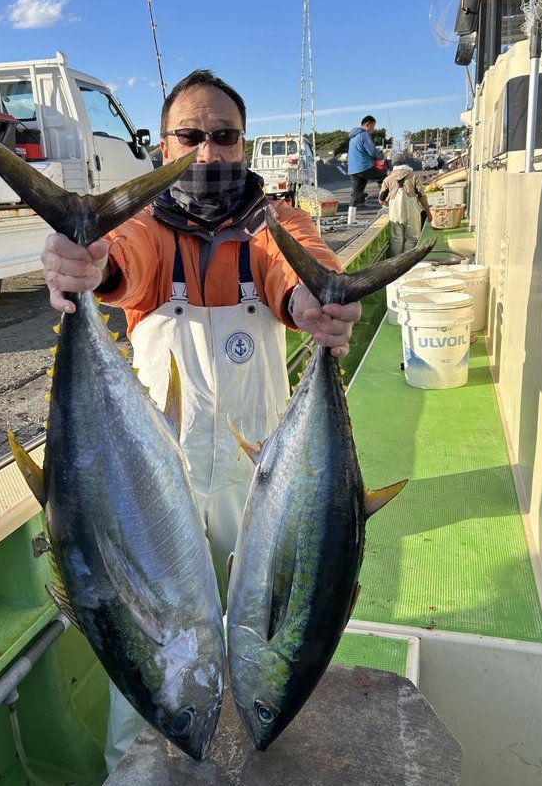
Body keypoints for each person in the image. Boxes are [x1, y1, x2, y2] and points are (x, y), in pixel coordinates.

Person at [40, 69, 362, 771]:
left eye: (224, 136)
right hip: (157, 491)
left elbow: (289, 263)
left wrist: (317, 302)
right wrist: (88, 263)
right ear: (164, 147)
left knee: (262, 660)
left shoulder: (272, 223)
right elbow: (124, 260)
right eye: (192, 136)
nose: (210, 152)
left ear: (244, 144)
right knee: (152, 671)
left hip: (260, 491)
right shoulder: (146, 228)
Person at [378, 151, 435, 256]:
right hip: (412, 212)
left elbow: (381, 200)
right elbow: (422, 196)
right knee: (412, 238)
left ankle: (395, 263)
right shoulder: (413, 177)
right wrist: (428, 212)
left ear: (393, 164)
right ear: (405, 162)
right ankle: (406, 262)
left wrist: (389, 205)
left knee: (396, 240)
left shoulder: (388, 179)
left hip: (395, 214)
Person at [347, 115, 387, 207]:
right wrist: (381, 156)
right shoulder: (364, 134)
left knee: (356, 195)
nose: (374, 129)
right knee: (385, 178)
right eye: (373, 126)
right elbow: (372, 151)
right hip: (363, 167)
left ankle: (351, 218)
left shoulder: (353, 137)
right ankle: (385, 203)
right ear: (368, 124)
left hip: (353, 170)